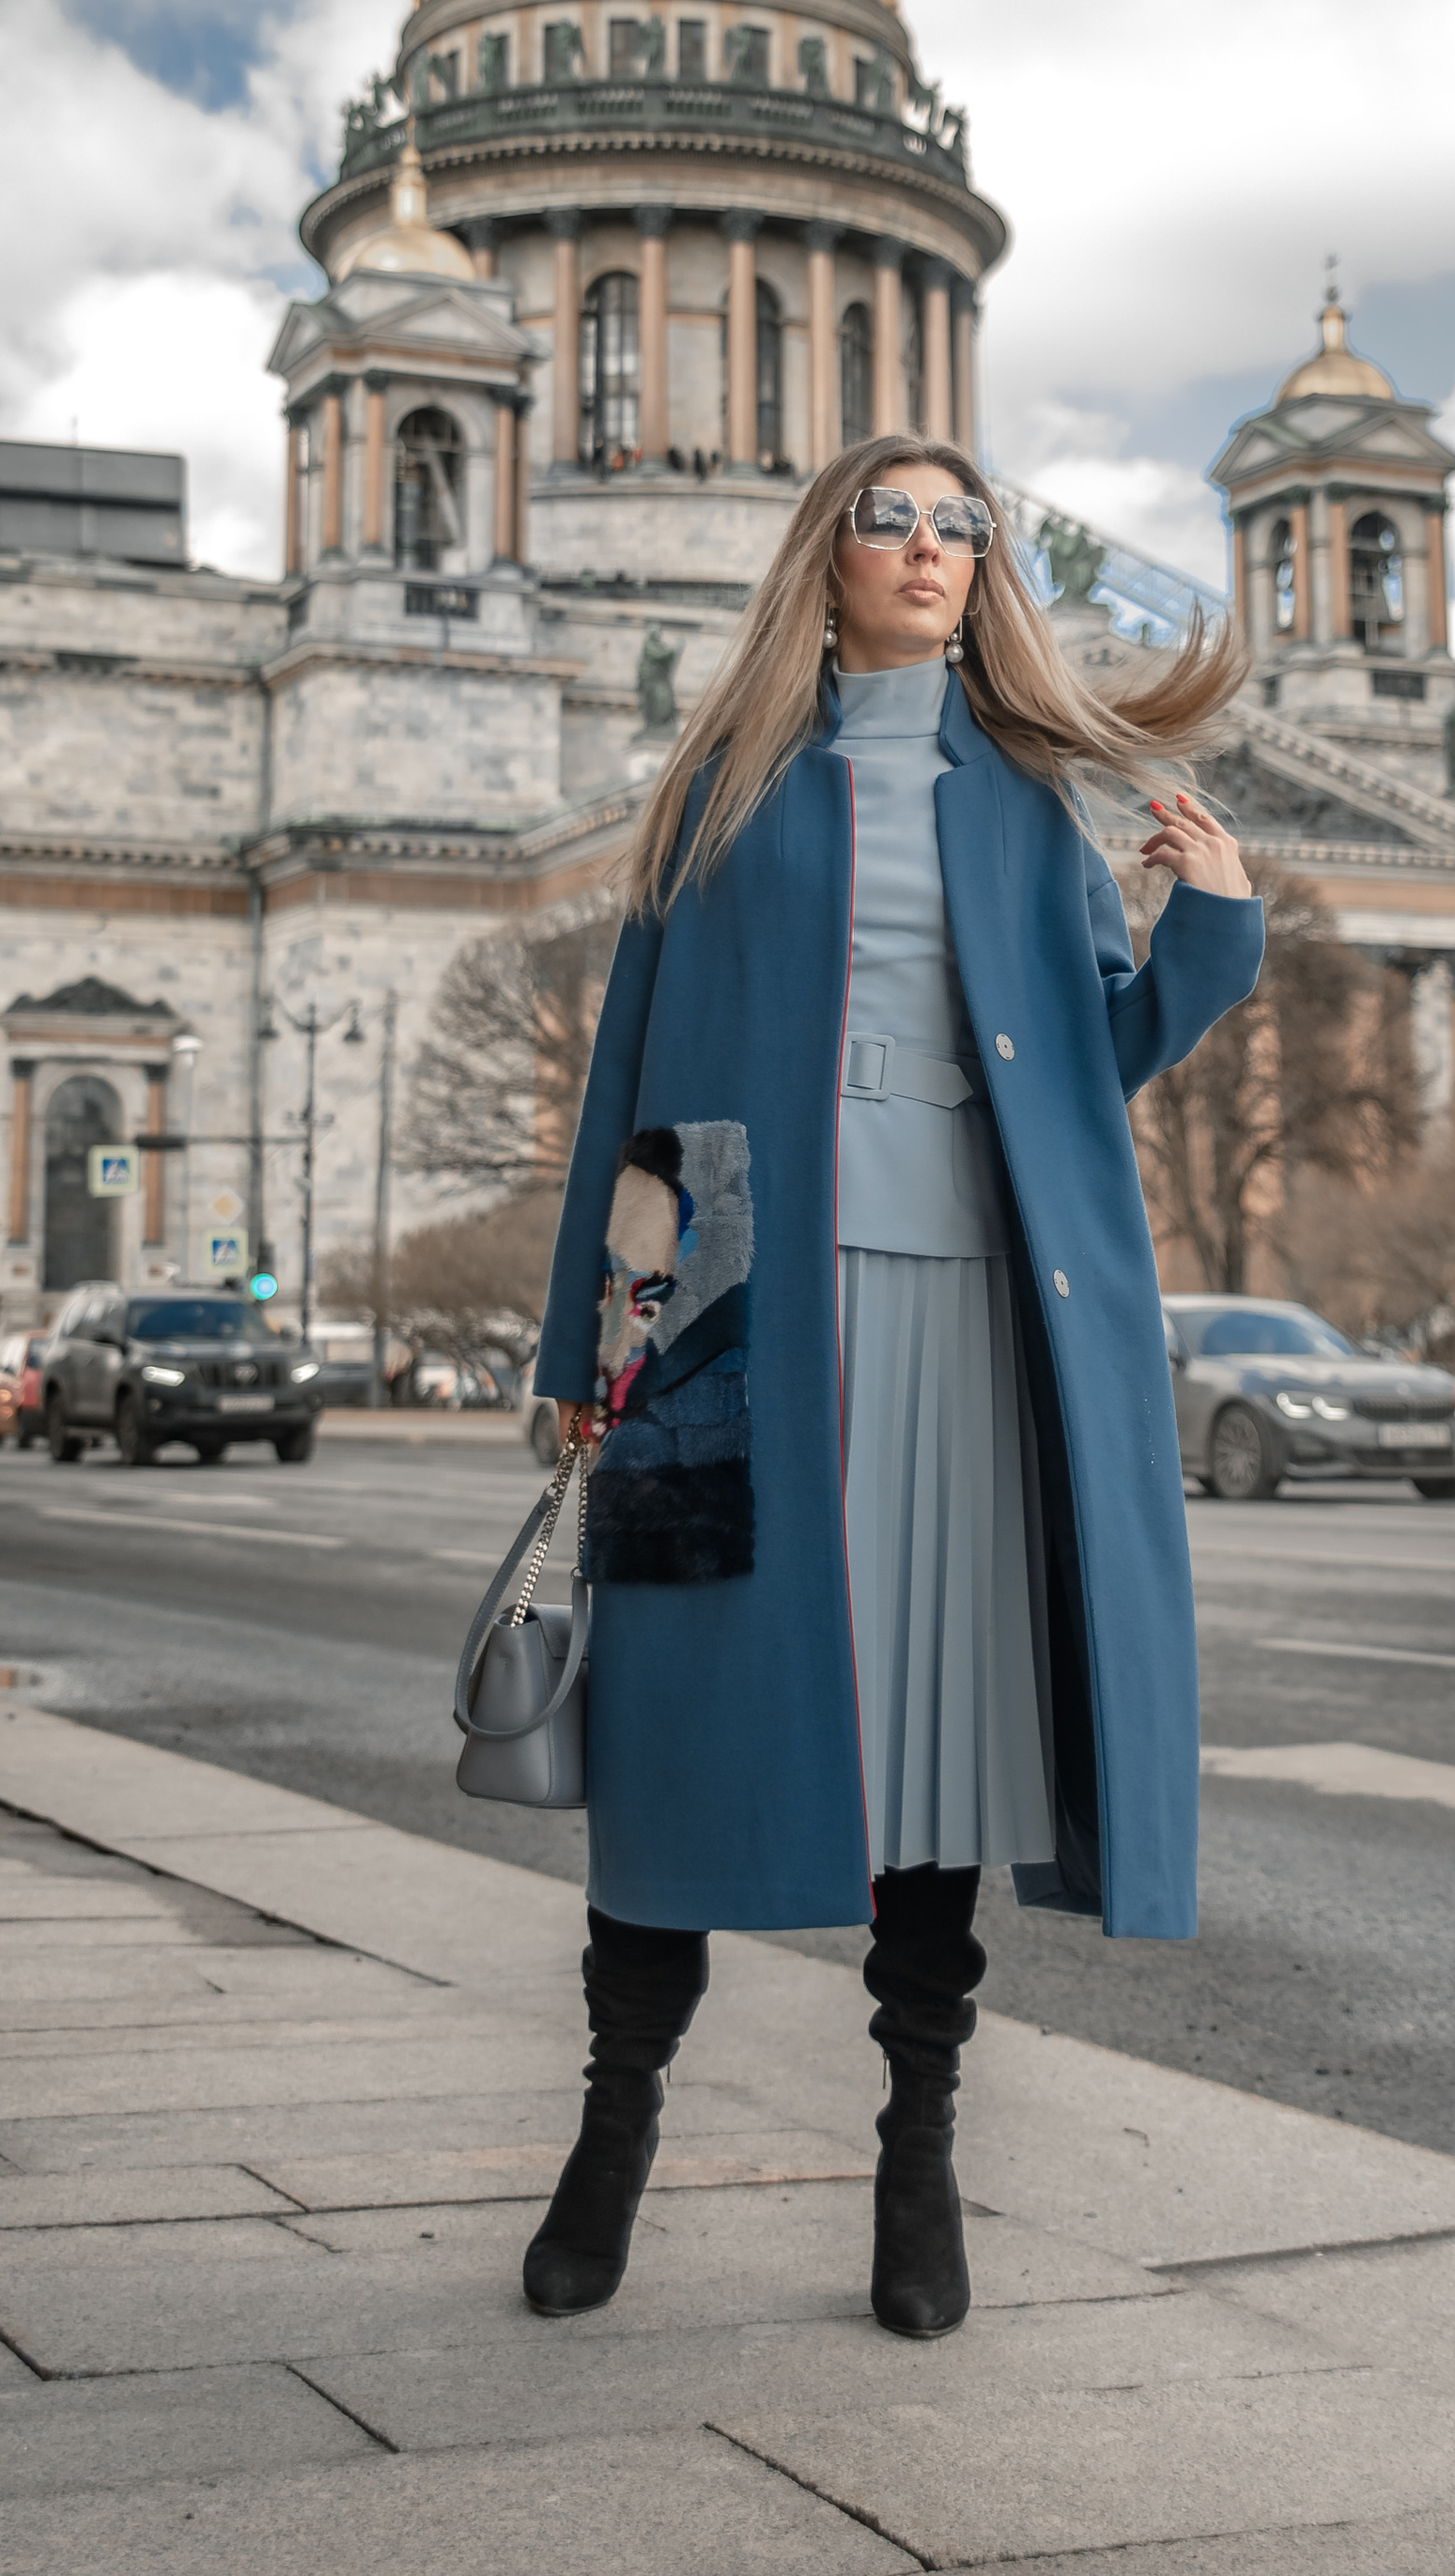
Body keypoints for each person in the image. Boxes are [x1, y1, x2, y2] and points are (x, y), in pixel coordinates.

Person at [520, 433, 1261, 2337]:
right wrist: (576, 1351)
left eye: (960, 529)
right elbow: (628, 1091)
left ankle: (915, 2164)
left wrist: (1209, 928)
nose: (927, 552)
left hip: (973, 1308)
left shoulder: (1023, 798)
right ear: (824, 557)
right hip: (730, 1313)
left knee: (939, 1735)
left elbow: (1092, 1065)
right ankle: (611, 2135)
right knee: (683, 1732)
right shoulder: (718, 788)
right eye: (891, 523)